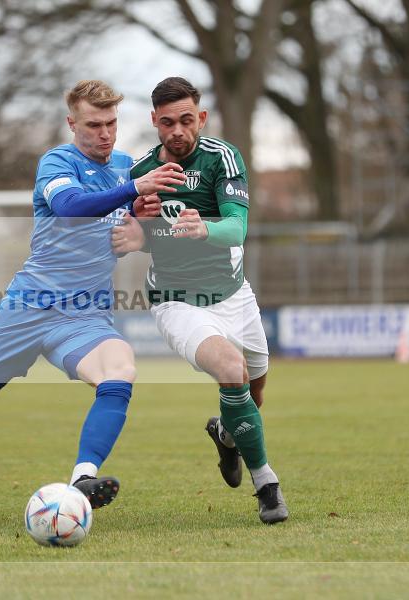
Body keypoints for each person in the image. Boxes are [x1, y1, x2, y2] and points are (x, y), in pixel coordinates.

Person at [0, 80, 186, 518]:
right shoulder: (57, 162)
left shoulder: (127, 166)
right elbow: (70, 206)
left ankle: (81, 479)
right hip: (26, 310)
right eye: (94, 124)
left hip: (84, 315)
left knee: (120, 370)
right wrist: (133, 190)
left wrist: (141, 222)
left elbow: (140, 215)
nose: (105, 133)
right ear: (72, 123)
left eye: (111, 123)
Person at [113, 77, 289, 524]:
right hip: (177, 302)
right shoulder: (141, 173)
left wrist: (203, 227)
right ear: (154, 121)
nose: (177, 130)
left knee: (255, 390)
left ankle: (228, 437)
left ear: (201, 118)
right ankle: (266, 483)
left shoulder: (221, 159)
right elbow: (128, 238)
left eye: (186, 120)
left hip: (234, 295)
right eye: (167, 122)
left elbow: (237, 228)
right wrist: (136, 226)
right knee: (233, 372)